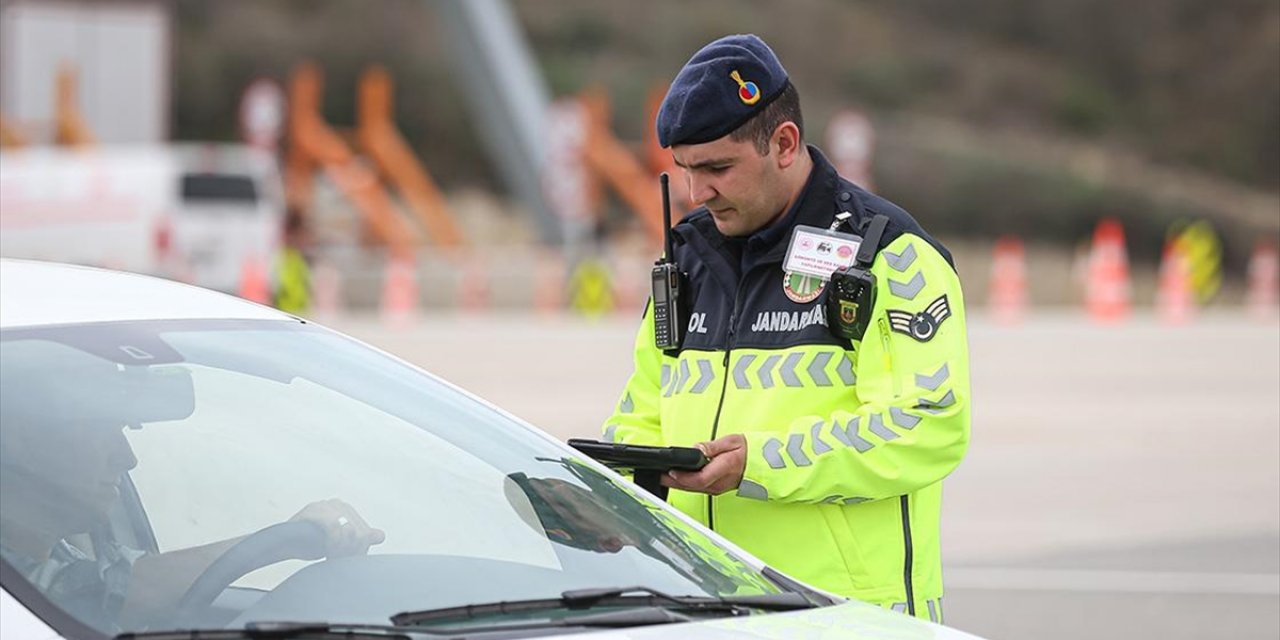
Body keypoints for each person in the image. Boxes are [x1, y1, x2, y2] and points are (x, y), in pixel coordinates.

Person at [601, 34, 971, 623]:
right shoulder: (686, 258)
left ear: (784, 143)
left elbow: (930, 425)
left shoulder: (889, 255)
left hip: (847, 617)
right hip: (700, 609)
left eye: (718, 167)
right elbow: (643, 414)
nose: (699, 193)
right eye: (687, 171)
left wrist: (762, 463)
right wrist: (601, 491)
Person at [0, 348, 384, 631]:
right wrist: (277, 543)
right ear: (16, 438)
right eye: (101, 430)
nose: (127, 458)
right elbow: (107, 592)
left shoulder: (68, 557)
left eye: (123, 431)